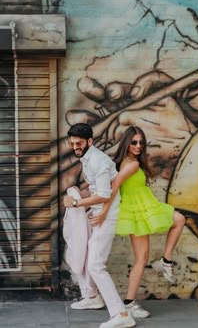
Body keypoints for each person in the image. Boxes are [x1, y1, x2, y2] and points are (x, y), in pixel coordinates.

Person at [90, 125, 186, 319]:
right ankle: (161, 266)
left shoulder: (128, 162)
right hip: (138, 211)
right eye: (134, 142)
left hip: (143, 208)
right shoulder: (131, 164)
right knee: (143, 257)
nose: (138, 145)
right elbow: (114, 187)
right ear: (126, 143)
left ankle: (162, 265)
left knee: (143, 257)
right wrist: (104, 212)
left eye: (141, 142)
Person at [63, 123, 136, 328]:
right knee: (86, 255)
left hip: (107, 218)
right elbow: (98, 189)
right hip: (96, 215)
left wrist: (77, 202)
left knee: (96, 264)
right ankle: (93, 297)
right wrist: (81, 193)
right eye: (73, 143)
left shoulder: (98, 160)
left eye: (79, 143)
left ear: (89, 141)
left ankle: (122, 314)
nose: (75, 146)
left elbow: (104, 195)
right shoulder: (86, 159)